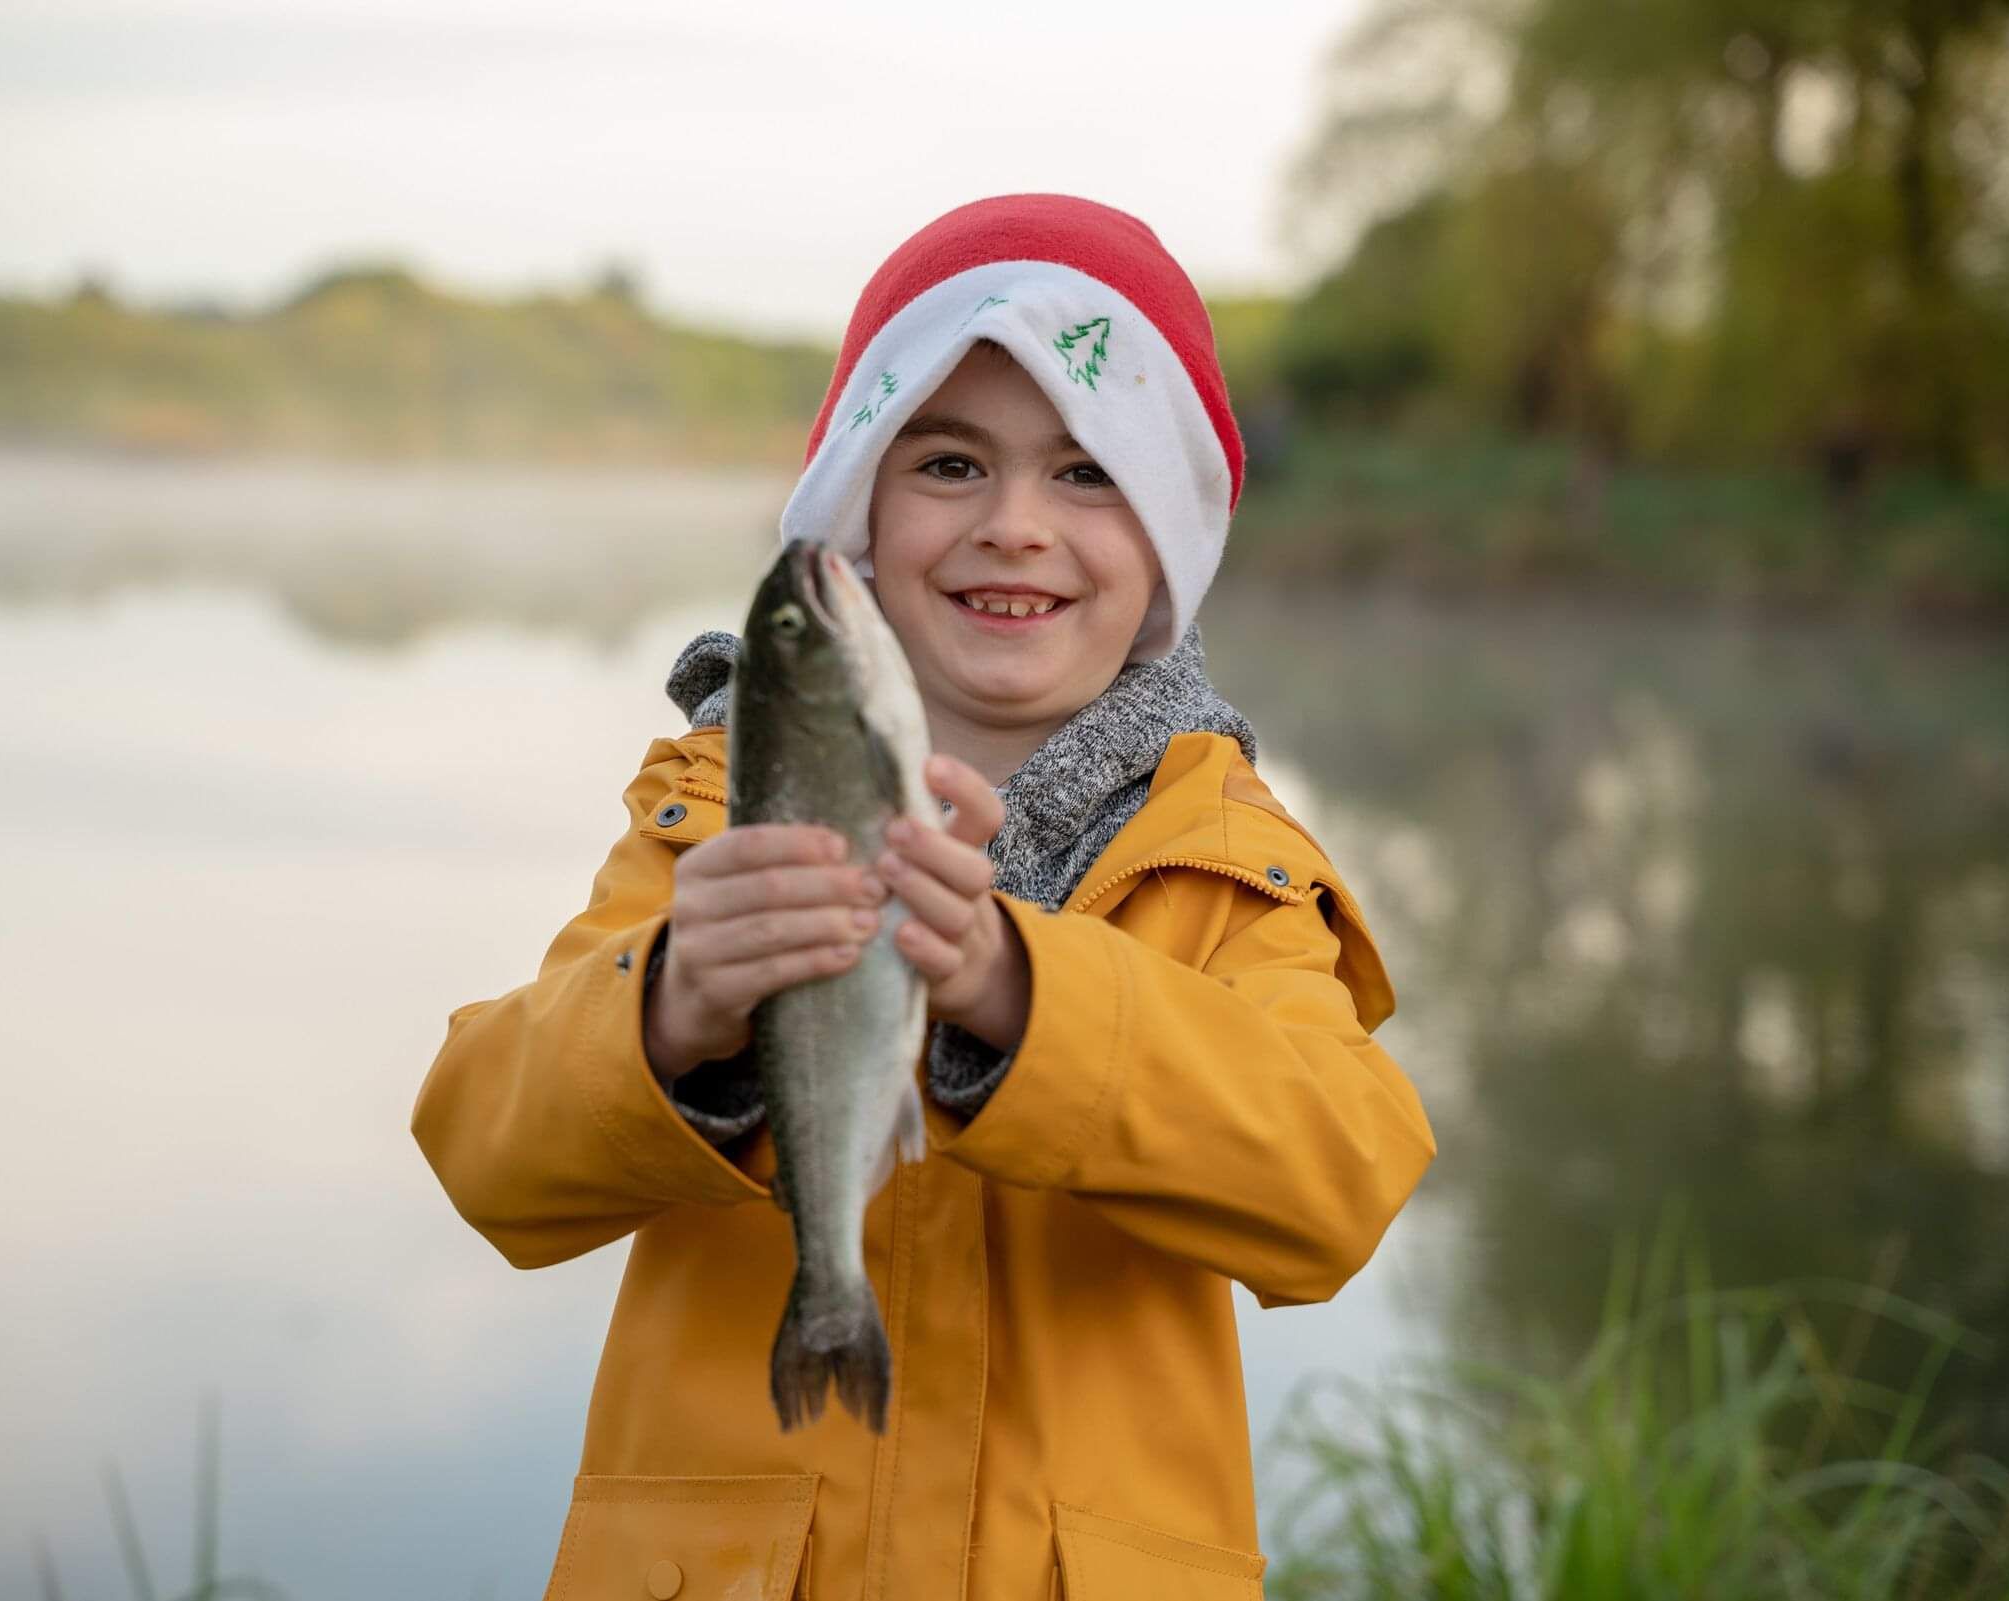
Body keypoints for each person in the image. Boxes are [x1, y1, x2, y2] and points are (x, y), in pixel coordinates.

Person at [410, 193, 1436, 1600]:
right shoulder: (717, 811)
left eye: (1088, 474)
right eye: (950, 462)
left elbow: (1343, 1180)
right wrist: (667, 1008)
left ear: (1168, 546)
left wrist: (1027, 996)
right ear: (859, 514)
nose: (1015, 527)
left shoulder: (1225, 859)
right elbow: (484, 1152)